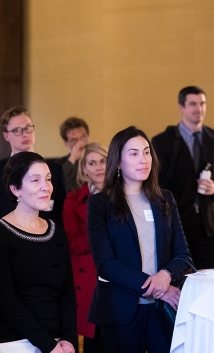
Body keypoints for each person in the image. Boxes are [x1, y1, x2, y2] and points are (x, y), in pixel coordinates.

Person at [87, 126, 192, 353]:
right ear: (117, 162)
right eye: (133, 154)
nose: (143, 159)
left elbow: (183, 255)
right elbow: (106, 264)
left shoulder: (165, 199)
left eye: (146, 152)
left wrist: (165, 275)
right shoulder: (100, 204)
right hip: (120, 310)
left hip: (161, 310)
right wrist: (158, 288)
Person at [0, 151, 77, 353]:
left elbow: (67, 291)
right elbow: (5, 299)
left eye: (48, 179)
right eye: (35, 180)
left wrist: (69, 339)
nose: (46, 187)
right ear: (16, 189)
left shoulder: (56, 232)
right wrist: (47, 345)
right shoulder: (2, 233)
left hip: (59, 341)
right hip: (16, 341)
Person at [152, 86, 214, 270]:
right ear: (182, 107)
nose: (199, 108)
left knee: (213, 279)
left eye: (202, 103)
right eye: (193, 104)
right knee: (181, 280)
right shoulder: (163, 141)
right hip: (178, 223)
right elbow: (157, 183)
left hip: (210, 226)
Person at [63, 143, 107, 353]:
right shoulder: (72, 201)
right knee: (93, 344)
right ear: (84, 169)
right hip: (89, 281)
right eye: (92, 163)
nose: (98, 167)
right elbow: (71, 244)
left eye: (103, 161)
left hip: (121, 280)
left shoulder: (126, 197)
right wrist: (98, 229)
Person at [0, 106, 66, 224]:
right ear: (6, 136)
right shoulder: (1, 169)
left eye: (28, 128)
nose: (24, 134)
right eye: (17, 130)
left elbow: (60, 215)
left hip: (45, 236)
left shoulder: (55, 169)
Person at [58, 117, 90, 192]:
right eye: (74, 140)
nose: (80, 143)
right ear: (66, 143)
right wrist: (73, 158)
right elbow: (60, 183)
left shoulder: (99, 159)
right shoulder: (60, 164)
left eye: (83, 137)